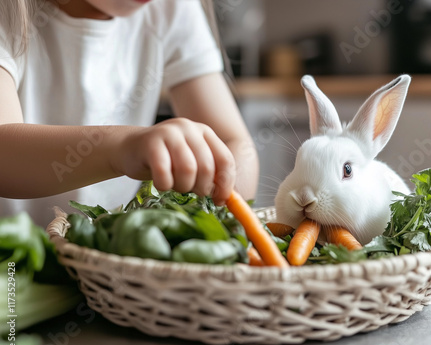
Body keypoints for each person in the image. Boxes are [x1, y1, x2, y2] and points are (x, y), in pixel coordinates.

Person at [0, 0, 259, 226]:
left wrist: (218, 211)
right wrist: (122, 147)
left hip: (109, 269)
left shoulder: (171, 6)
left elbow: (235, 144)